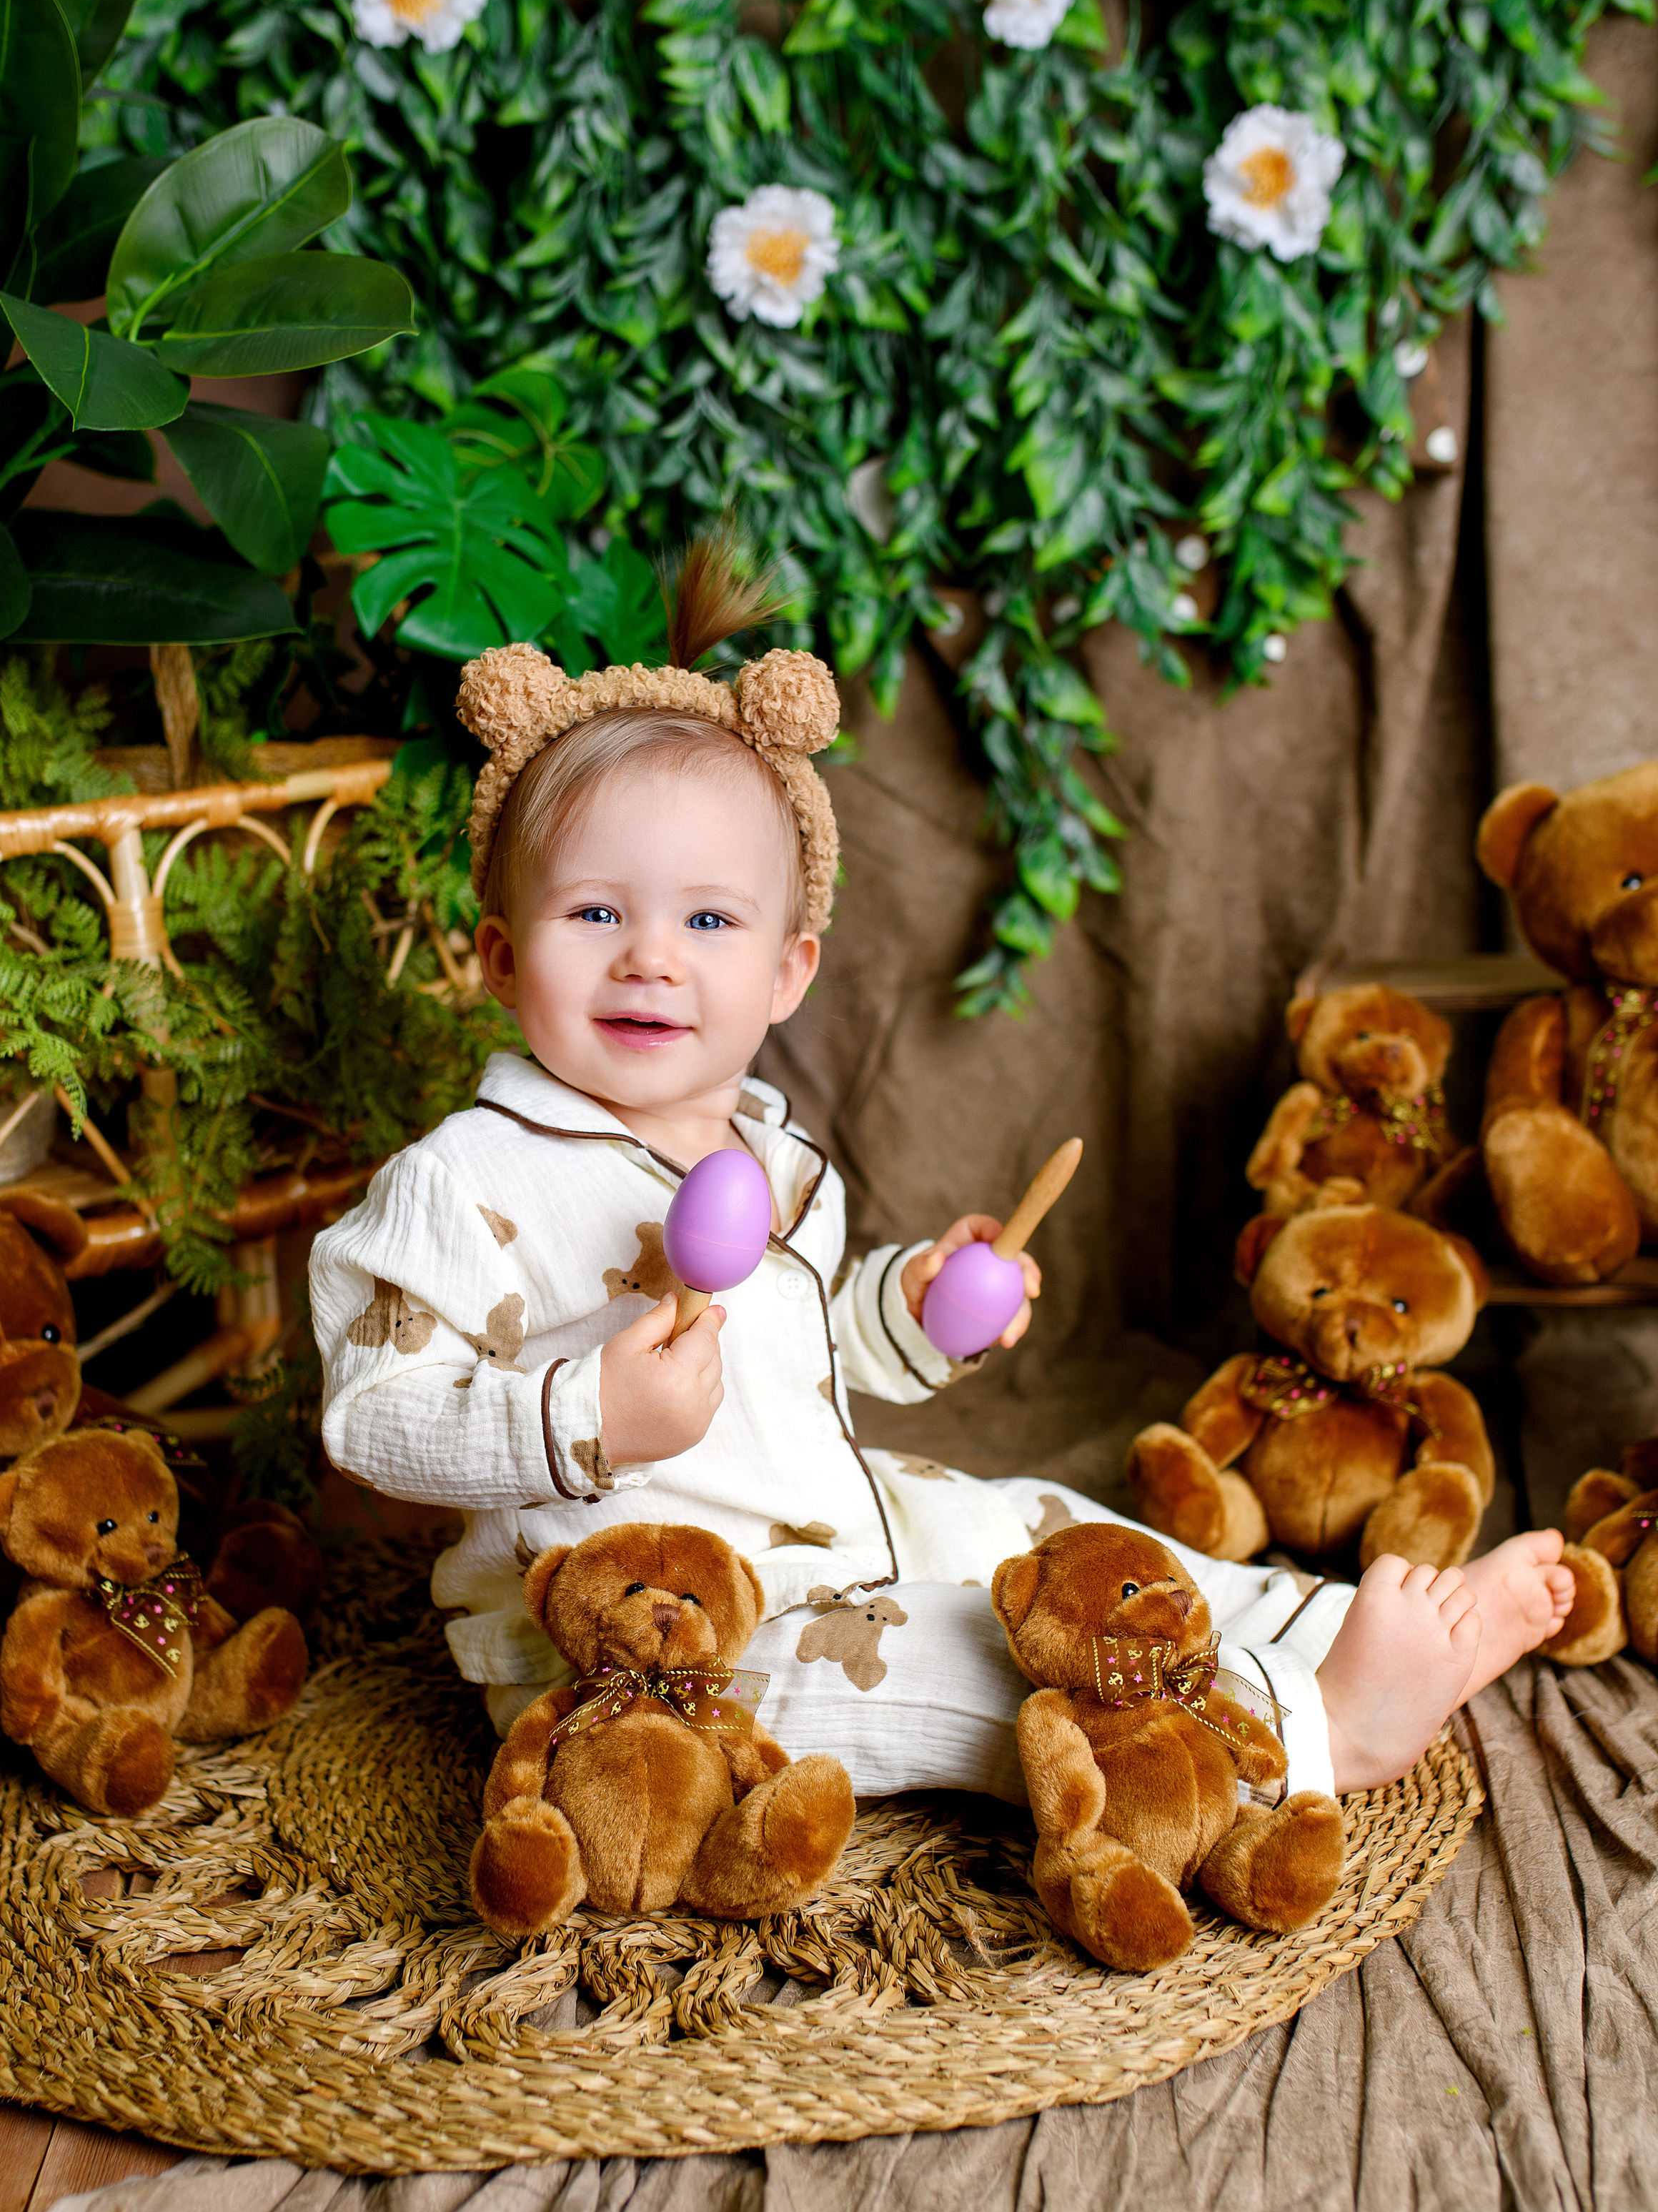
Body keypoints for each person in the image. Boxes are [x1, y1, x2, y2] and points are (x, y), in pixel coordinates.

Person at [310, 549, 1572, 1802]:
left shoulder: (772, 1154)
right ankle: (1306, 1731)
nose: (650, 959)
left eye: (708, 921)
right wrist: (587, 1419)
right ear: (496, 953)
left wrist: (906, 1310)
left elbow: (807, 1356)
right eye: (594, 914)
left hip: (839, 1535)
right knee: (961, 1666)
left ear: (787, 973)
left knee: (1040, 1533)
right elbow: (372, 1415)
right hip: (654, 1645)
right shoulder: (462, 1178)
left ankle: (1317, 1624)